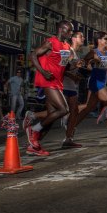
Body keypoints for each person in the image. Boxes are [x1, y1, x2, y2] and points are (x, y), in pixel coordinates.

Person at [23, 20, 75, 156]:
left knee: (51, 117)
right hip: (47, 81)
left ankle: (34, 145)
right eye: (69, 30)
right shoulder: (50, 42)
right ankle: (33, 129)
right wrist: (43, 71)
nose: (71, 33)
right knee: (64, 109)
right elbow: (33, 55)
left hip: (58, 82)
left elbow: (64, 66)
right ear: (61, 29)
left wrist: (75, 65)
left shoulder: (67, 46)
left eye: (71, 31)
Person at [76, 31, 107, 138]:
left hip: (102, 81)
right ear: (99, 40)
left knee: (88, 107)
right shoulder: (93, 52)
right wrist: (90, 64)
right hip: (95, 81)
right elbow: (83, 64)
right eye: (105, 39)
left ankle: (71, 123)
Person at [60, 30, 86, 148]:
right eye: (81, 36)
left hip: (72, 86)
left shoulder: (77, 53)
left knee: (74, 111)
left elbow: (72, 71)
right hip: (63, 85)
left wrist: (78, 76)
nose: (84, 38)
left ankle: (68, 139)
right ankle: (34, 119)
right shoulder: (68, 50)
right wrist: (76, 68)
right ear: (74, 38)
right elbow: (62, 69)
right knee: (59, 111)